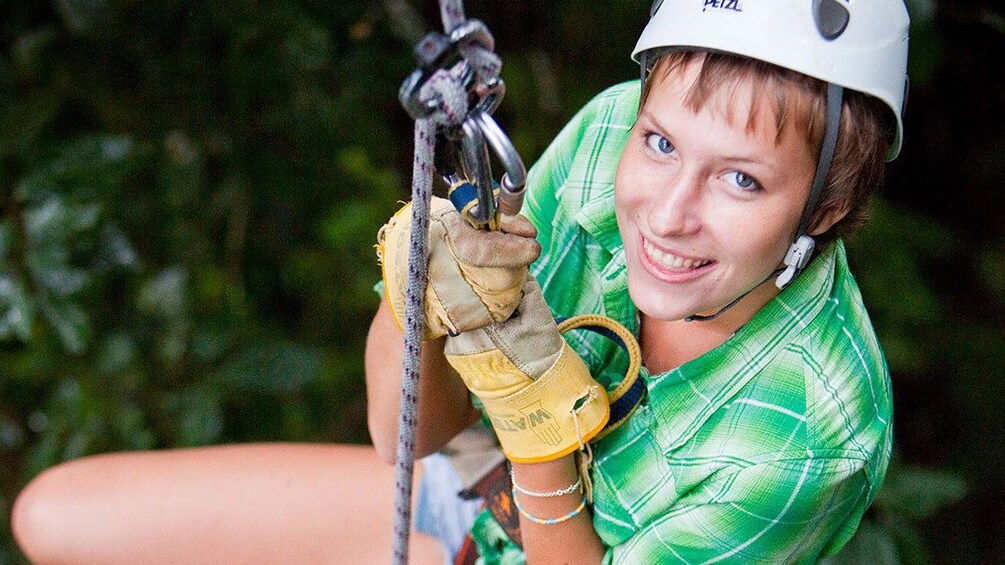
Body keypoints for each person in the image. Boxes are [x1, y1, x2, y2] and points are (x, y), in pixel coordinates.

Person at [11, 1, 910, 563]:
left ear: (826, 205)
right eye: (663, 143)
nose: (668, 212)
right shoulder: (608, 137)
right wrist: (421, 303)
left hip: (547, 530)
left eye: (741, 179)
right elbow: (408, 433)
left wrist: (535, 420)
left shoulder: (809, 434)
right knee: (57, 516)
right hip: (482, 494)